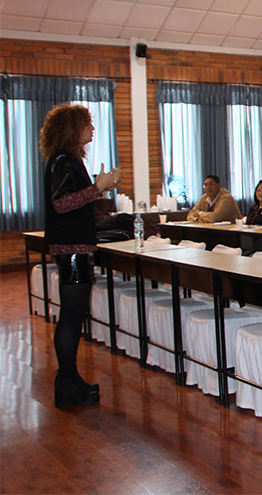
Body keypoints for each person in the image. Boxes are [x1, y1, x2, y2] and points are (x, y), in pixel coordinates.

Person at [41, 104, 122, 408]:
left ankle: (71, 378)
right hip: (72, 248)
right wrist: (97, 187)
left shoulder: (66, 160)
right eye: (87, 124)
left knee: (75, 316)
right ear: (73, 128)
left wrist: (101, 188)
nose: (92, 129)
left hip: (75, 246)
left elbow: (73, 200)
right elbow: (62, 203)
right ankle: (65, 383)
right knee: (72, 316)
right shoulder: (63, 161)